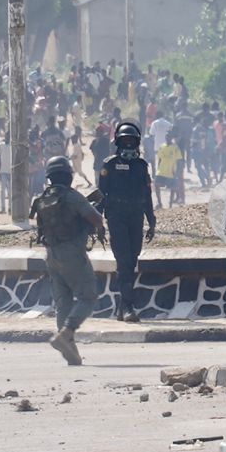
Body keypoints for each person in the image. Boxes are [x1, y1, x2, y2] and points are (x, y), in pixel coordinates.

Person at [31, 155, 106, 366]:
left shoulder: (43, 199)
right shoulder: (72, 196)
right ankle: (68, 332)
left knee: (63, 301)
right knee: (88, 296)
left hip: (51, 254)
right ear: (68, 176)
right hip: (72, 252)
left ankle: (69, 349)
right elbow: (96, 219)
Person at [98, 122, 157, 323]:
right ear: (118, 142)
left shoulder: (141, 166)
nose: (129, 144)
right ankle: (129, 307)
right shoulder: (110, 164)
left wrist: (152, 220)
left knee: (131, 261)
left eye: (132, 141)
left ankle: (123, 307)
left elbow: (147, 195)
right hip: (116, 217)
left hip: (136, 216)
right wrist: (97, 222)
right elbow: (100, 195)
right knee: (123, 261)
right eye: (125, 140)